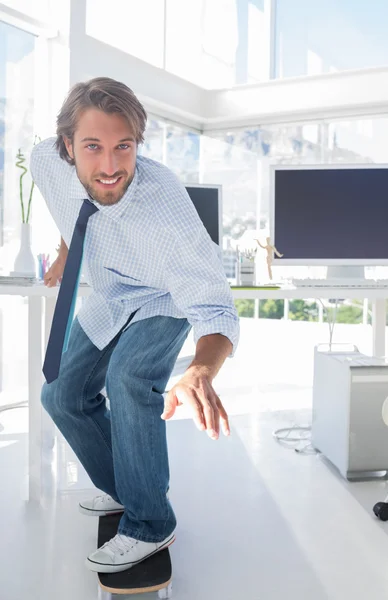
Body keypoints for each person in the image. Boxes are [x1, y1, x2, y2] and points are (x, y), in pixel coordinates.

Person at [30, 77, 239, 574]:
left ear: (138, 145)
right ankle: (127, 488)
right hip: (109, 291)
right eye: (93, 147)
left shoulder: (164, 207)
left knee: (128, 379)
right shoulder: (44, 160)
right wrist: (64, 253)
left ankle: (150, 522)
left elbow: (215, 307)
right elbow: (67, 210)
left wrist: (201, 370)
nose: (109, 166)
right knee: (60, 394)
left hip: (164, 293)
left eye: (123, 147)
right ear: (67, 147)